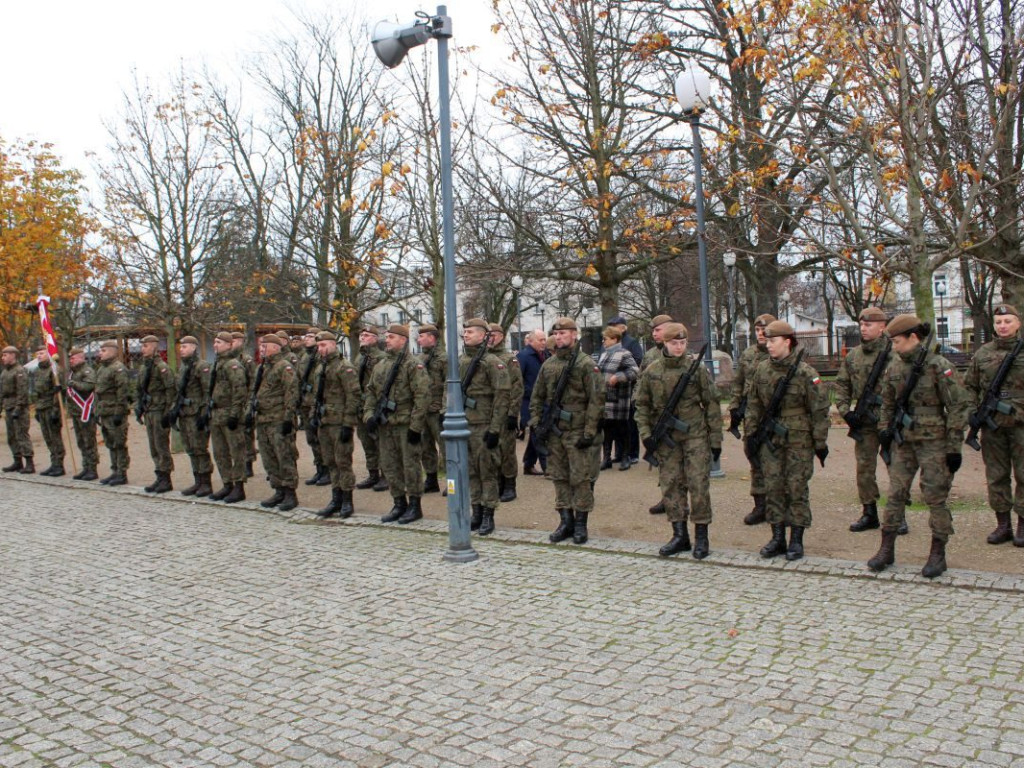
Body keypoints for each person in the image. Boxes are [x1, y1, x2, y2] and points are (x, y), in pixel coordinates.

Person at [870, 314, 969, 578]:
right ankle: (886, 548)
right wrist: (884, 431)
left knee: (935, 496)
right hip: (904, 441)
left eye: (897, 341)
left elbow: (959, 406)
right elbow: (887, 404)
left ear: (913, 338)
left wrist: (953, 446)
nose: (893, 347)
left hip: (934, 442)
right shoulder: (894, 367)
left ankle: (938, 554)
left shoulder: (939, 365)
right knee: (895, 494)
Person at [635, 322, 722, 559]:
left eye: (683, 343)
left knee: (698, 485)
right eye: (675, 343)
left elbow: (712, 403)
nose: (679, 347)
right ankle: (679, 535)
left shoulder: (696, 370)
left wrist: (715, 440)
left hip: (694, 435)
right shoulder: (652, 371)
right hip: (666, 439)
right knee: (671, 485)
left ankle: (701, 537)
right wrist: (646, 435)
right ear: (665, 342)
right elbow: (641, 405)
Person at [745, 320, 830, 561]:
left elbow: (820, 411)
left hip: (798, 440)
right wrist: (751, 435)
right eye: (767, 340)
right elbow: (753, 404)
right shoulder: (761, 370)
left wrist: (820, 442)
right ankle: (777, 537)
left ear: (788, 342)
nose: (768, 345)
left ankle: (796, 539)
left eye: (773, 341)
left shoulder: (805, 373)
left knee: (796, 488)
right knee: (773, 487)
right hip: (769, 439)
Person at [529, 317, 604, 545]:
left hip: (578, 430)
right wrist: (536, 424)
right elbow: (537, 397)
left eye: (564, 333)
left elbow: (596, 400)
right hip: (554, 432)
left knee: (580, 478)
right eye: (557, 334)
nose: (560, 337)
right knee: (559, 477)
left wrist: (589, 432)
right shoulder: (548, 365)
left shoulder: (585, 364)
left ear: (575, 335)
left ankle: (581, 524)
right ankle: (565, 521)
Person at [835, 307, 908, 534]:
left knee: (896, 468)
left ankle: (898, 515)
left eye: (869, 325)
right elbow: (842, 386)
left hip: (891, 420)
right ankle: (869, 513)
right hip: (864, 422)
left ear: (882, 326)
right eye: (862, 325)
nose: (864, 329)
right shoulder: (854, 356)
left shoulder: (895, 353)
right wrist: (846, 412)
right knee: (864, 468)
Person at [965, 304, 1024, 547]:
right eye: (999, 322)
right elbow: (969, 386)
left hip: (1021, 424)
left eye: (1008, 321)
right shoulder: (983, 354)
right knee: (996, 476)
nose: (1003, 326)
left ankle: (1022, 524)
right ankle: (1003, 525)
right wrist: (971, 412)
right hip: (993, 427)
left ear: (1018, 323)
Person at [363, 324, 430, 524]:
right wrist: (369, 416)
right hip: (386, 425)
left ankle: (414, 505)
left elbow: (422, 396)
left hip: (405, 424)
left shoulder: (413, 364)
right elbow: (371, 394)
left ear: (403, 340)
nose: (387, 340)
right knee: (390, 466)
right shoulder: (380, 365)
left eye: (392, 337)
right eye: (387, 337)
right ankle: (398, 502)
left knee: (410, 466)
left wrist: (415, 427)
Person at [461, 319, 511, 534]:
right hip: (464, 424)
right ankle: (477, 511)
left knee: (487, 472)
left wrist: (495, 428)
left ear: (483, 336)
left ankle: (489, 515)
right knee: (470, 472)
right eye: (464, 331)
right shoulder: (461, 361)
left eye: (470, 332)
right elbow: (449, 390)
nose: (465, 334)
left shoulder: (492, 362)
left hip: (484, 426)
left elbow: (502, 396)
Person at [728, 313, 776, 525]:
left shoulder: (779, 353)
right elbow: (738, 383)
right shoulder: (747, 354)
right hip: (751, 414)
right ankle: (760, 505)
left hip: (773, 414)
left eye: (764, 330)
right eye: (757, 330)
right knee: (754, 455)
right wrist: (734, 407)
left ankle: (777, 505)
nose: (761, 334)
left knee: (774, 459)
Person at [312, 330, 362, 519]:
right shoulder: (320, 368)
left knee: (343, 463)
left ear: (333, 344)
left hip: (339, 422)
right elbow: (317, 396)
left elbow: (353, 395)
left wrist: (348, 424)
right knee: (330, 462)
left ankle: (347, 500)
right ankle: (336, 498)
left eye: (323, 345)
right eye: (318, 346)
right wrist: (313, 417)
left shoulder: (344, 367)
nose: (320, 349)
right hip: (324, 422)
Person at [255, 334, 300, 511]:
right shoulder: (263, 367)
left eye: (265, 345)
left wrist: (288, 418)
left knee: (284, 456)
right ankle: (278, 489)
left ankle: (290, 493)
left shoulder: (284, 367)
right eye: (261, 346)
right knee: (269, 458)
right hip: (263, 420)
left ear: (275, 347)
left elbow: (292, 392)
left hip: (278, 419)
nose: (262, 348)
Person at [207, 331, 249, 503]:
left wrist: (235, 414)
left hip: (229, 414)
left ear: (229, 344)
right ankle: (227, 484)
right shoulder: (217, 364)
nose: (215, 345)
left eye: (219, 342)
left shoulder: (233, 365)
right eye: (215, 342)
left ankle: (239, 486)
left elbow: (239, 391)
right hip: (216, 414)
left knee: (236, 451)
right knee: (220, 452)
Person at [174, 335, 214, 497]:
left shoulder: (202, 366)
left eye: (184, 347)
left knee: (199, 448)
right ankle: (197, 481)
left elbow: (207, 391)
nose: (181, 350)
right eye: (180, 347)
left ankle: (206, 483)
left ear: (194, 348)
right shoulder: (183, 367)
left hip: (197, 414)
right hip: (185, 414)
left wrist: (204, 414)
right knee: (190, 448)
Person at [488, 323, 523, 502]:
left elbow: (517, 387)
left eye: (492, 334)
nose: (489, 338)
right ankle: (498, 483)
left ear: (501, 336)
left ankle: (510, 484)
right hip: (488, 412)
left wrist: (512, 413)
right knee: (492, 450)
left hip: (505, 411)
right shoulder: (484, 357)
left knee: (507, 450)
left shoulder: (509, 359)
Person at [137, 335, 177, 493]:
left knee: (161, 446)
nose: (143, 349)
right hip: (149, 411)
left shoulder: (162, 367)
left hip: (160, 411)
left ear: (154, 347)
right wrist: (139, 406)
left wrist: (168, 412)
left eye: (146, 346)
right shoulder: (143, 367)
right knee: (153, 446)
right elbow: (139, 390)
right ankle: (159, 476)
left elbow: (170, 390)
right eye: (142, 346)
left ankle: (166, 479)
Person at [597, 326, 639, 470]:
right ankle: (607, 458)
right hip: (605, 398)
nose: (603, 341)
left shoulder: (624, 353)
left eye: (606, 339)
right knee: (606, 429)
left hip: (619, 399)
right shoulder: (604, 354)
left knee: (622, 428)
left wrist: (619, 377)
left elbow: (634, 371)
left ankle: (625, 457)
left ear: (614, 339)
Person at [355, 325, 388, 492]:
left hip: (374, 405)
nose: (363, 337)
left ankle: (385, 475)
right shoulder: (360, 358)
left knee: (379, 442)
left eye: (367, 335)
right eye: (362, 335)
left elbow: (379, 385)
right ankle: (373, 473)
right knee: (366, 442)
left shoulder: (381, 357)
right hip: (361, 406)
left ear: (375, 339)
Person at [608, 315, 643, 466]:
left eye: (615, 325)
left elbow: (638, 360)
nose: (612, 328)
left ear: (623, 327)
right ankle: (619, 453)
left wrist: (620, 372)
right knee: (616, 423)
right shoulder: (609, 343)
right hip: (613, 389)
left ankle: (632, 453)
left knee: (630, 422)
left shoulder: (631, 342)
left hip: (628, 387)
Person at [296, 327, 329, 487]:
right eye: (306, 336)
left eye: (310, 336)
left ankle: (327, 469)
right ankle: (319, 468)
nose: (306, 339)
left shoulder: (320, 357)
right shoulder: (304, 356)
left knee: (320, 438)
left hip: (315, 402)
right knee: (311, 438)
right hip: (305, 402)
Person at [94, 340, 130, 485]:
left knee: (119, 442)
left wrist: (119, 412)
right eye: (100, 351)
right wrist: (97, 411)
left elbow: (122, 392)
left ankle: (122, 473)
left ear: (112, 351)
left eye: (103, 351)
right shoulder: (101, 369)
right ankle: (114, 470)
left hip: (115, 410)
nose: (99, 353)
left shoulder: (118, 368)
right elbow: (98, 392)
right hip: (105, 411)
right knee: (110, 443)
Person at [417, 323, 447, 494]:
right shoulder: (420, 359)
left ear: (432, 338)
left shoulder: (444, 358)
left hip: (438, 411)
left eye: (422, 336)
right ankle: (431, 479)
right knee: (425, 446)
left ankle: (452, 482)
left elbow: (449, 385)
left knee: (446, 448)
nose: (419, 339)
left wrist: (445, 409)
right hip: (424, 410)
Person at [517, 329, 548, 476]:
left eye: (544, 339)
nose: (543, 342)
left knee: (536, 432)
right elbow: (518, 380)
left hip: (543, 401)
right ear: (531, 341)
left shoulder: (545, 355)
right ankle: (548, 467)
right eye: (540, 340)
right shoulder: (523, 356)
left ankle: (528, 464)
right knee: (538, 433)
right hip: (528, 402)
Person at [66, 347, 99, 481]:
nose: (70, 361)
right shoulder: (73, 373)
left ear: (80, 357)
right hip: (76, 412)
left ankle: (92, 469)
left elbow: (88, 386)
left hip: (86, 412)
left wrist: (73, 383)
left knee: (89, 441)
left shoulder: (87, 371)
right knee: (81, 441)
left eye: (73, 358)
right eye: (70, 358)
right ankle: (85, 467)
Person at [33, 346, 66, 476]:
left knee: (55, 436)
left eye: (41, 353)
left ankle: (59, 464)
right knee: (47, 437)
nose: (39, 356)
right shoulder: (38, 370)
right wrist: (36, 408)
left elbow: (59, 392)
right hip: (41, 406)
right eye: (37, 353)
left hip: (51, 406)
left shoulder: (55, 370)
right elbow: (37, 392)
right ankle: (53, 463)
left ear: (48, 354)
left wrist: (56, 410)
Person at [1, 345, 33, 474]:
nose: (3, 358)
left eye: (5, 355)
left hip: (18, 408)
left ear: (13, 355)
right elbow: (1, 392)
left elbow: (22, 391)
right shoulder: (4, 372)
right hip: (8, 406)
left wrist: (18, 408)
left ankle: (29, 463)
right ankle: (17, 461)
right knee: (12, 436)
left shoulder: (19, 371)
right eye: (2, 355)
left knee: (22, 435)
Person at [230, 331, 258, 478]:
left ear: (241, 342)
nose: (232, 343)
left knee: (246, 435)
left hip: (245, 401)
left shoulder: (246, 360)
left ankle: (248, 463)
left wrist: (250, 403)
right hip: (232, 402)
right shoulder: (228, 360)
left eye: (235, 340)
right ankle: (238, 463)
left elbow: (253, 382)